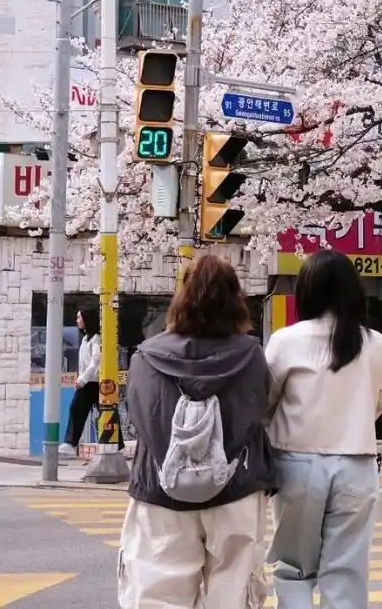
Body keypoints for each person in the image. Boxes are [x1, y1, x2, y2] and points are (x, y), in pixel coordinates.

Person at [118, 255, 274, 609]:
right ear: (236, 301)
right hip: (236, 489)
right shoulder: (252, 356)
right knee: (233, 593)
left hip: (160, 490)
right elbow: (260, 410)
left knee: (157, 593)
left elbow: (140, 418)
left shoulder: (146, 357)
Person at [266, 249, 382, 608]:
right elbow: (378, 404)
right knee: (347, 573)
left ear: (306, 291)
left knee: (294, 569)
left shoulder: (285, 341)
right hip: (357, 465)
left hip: (297, 465)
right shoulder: (374, 343)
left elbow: (264, 403)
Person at [62, 310, 102, 458]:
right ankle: (70, 444)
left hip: (94, 382)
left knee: (78, 408)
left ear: (87, 319)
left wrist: (81, 380)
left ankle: (70, 444)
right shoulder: (86, 338)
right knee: (80, 409)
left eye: (79, 317)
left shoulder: (97, 338)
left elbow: (95, 362)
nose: (77, 320)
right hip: (88, 382)